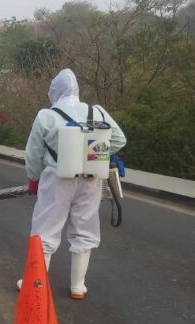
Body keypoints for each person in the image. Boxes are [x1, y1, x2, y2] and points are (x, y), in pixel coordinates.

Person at [22, 68, 126, 299]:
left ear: (55, 91)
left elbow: (33, 154)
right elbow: (119, 139)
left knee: (45, 229)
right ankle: (78, 286)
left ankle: (35, 282)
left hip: (57, 178)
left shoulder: (46, 116)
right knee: (85, 228)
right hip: (91, 178)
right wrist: (98, 153)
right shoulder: (97, 111)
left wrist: (33, 178)